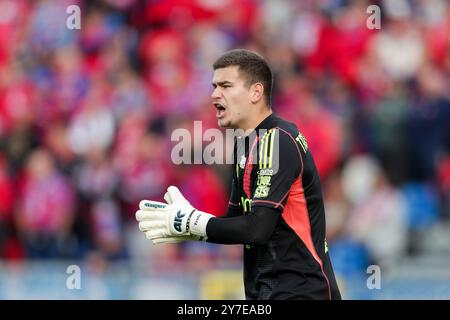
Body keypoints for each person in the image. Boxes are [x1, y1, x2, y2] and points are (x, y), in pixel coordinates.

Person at [135, 49, 341, 300]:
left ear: (256, 92)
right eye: (214, 86)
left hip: (302, 294)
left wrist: (192, 222)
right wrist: (189, 224)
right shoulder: (245, 144)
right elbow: (236, 223)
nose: (214, 95)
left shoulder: (277, 140)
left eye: (225, 86)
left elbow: (257, 229)